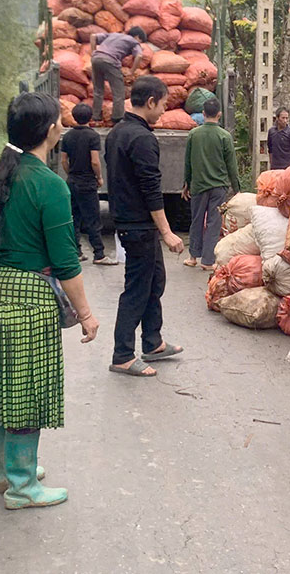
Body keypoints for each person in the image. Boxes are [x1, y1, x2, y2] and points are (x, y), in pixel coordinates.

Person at [0, 92, 99, 510]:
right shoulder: (49, 185)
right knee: (26, 391)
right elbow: (65, 262)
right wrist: (86, 315)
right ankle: (22, 487)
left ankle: (6, 470)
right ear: (49, 131)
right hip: (28, 298)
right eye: (58, 122)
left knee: (7, 386)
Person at [104, 76, 186, 377]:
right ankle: (122, 354)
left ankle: (153, 342)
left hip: (131, 222)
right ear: (150, 102)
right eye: (163, 104)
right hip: (138, 225)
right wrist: (166, 231)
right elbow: (151, 189)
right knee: (137, 288)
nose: (164, 111)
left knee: (155, 281)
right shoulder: (141, 138)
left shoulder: (117, 133)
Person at [182, 97, 240, 271]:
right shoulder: (224, 136)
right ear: (219, 114)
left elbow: (188, 162)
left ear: (203, 114)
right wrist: (237, 189)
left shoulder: (194, 134)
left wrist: (186, 183)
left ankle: (193, 256)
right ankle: (207, 260)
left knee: (197, 220)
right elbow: (231, 165)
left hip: (198, 186)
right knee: (214, 222)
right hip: (218, 187)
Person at [60, 103, 115, 266]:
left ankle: (76, 252)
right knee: (93, 219)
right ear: (90, 117)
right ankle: (99, 254)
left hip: (72, 181)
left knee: (74, 218)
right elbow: (95, 161)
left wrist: (70, 173)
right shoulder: (92, 136)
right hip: (87, 182)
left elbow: (64, 160)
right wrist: (99, 177)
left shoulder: (68, 136)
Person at [90, 26, 147, 124]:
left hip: (96, 59)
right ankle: (117, 118)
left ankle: (96, 117)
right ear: (137, 37)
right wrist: (131, 72)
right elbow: (139, 55)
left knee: (98, 90)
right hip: (111, 61)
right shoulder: (133, 41)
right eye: (140, 41)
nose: (140, 43)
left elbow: (93, 36)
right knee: (118, 92)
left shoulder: (114, 34)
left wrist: (93, 52)